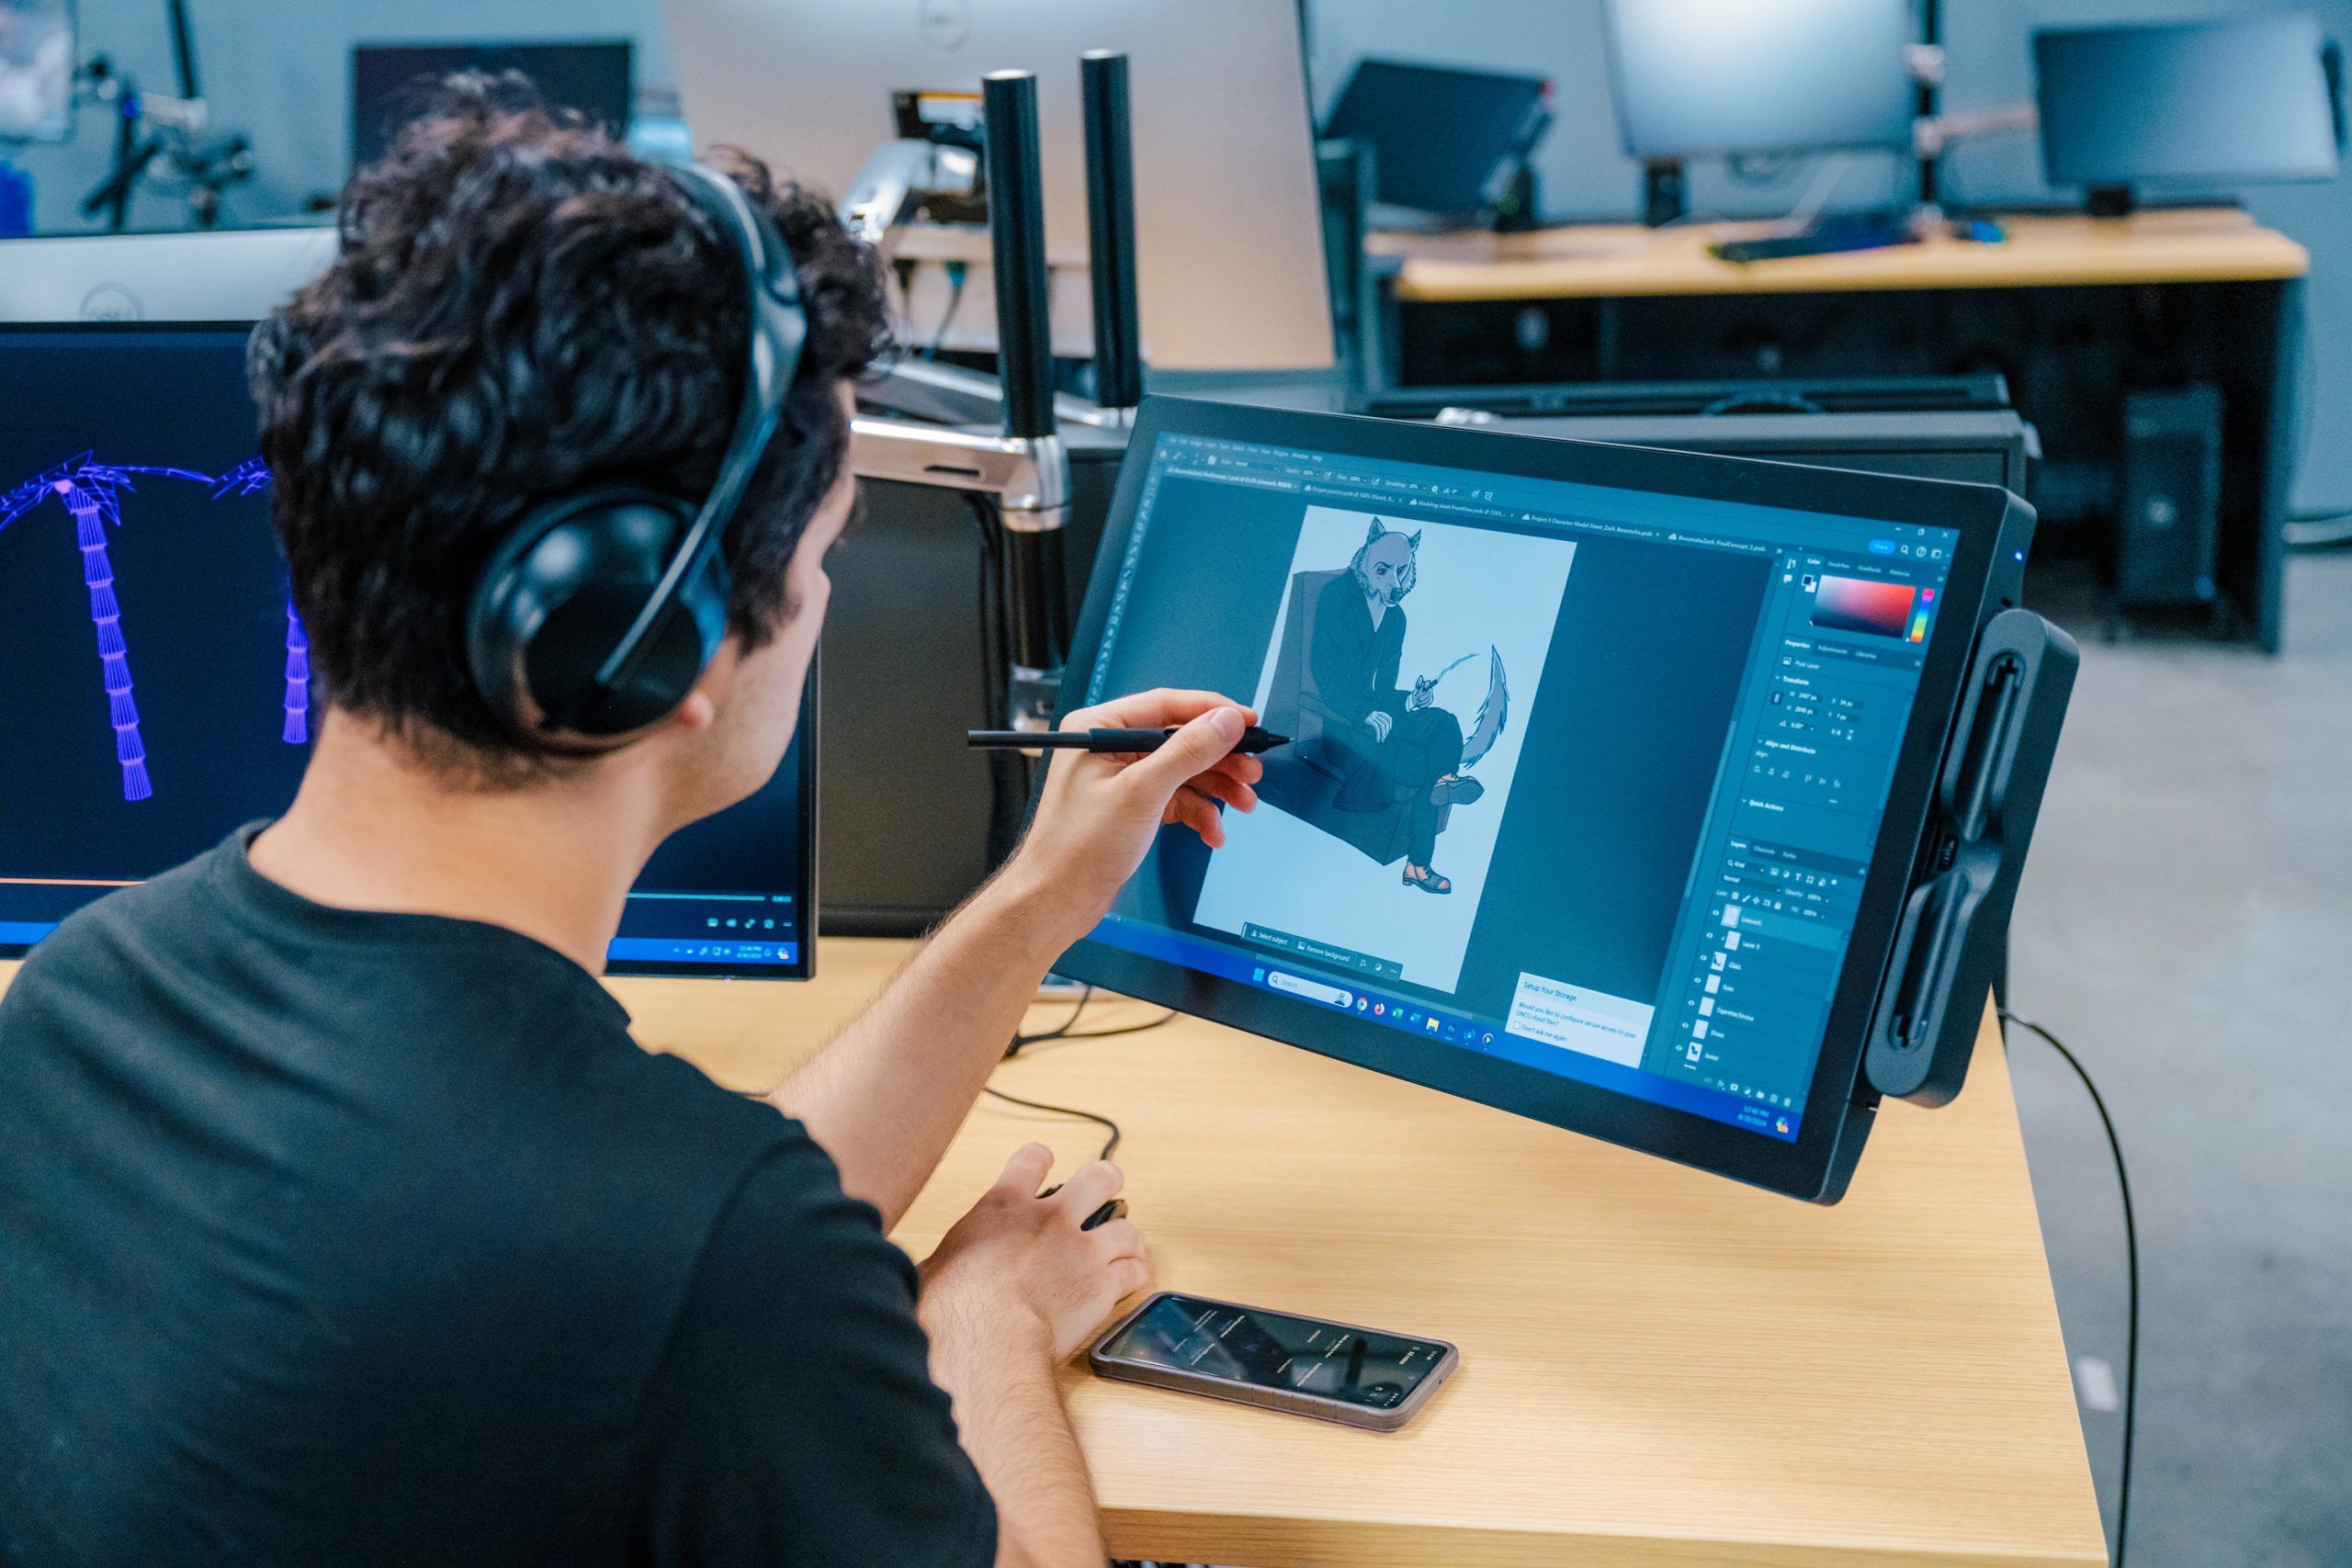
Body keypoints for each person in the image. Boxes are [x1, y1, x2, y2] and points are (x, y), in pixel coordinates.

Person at [0, 78, 1262, 1568]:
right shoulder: (704, 1266)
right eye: (829, 546)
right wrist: (982, 1319)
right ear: (653, 640)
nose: (827, 597)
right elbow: (685, 1265)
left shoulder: (81, 1009)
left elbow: (628, 1250)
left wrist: (1036, 900)